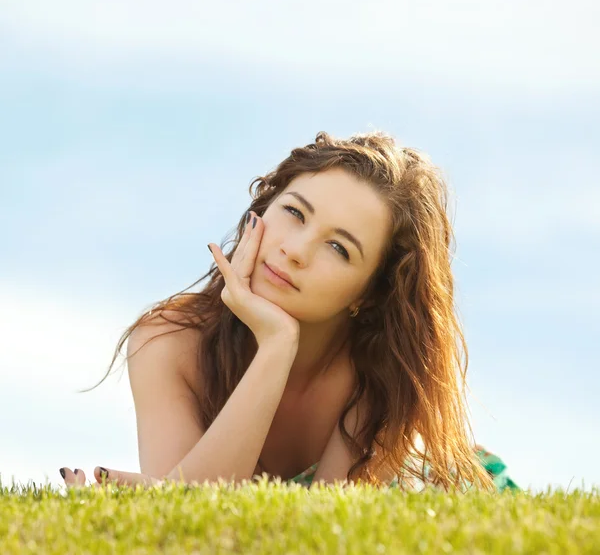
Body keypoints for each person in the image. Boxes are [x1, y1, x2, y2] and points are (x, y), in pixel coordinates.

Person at [60, 130, 519, 494]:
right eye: (295, 213)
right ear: (260, 209)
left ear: (369, 294)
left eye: (339, 248)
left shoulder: (378, 372)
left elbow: (321, 535)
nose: (296, 250)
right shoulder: (168, 343)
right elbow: (187, 516)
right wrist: (277, 347)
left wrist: (276, 342)